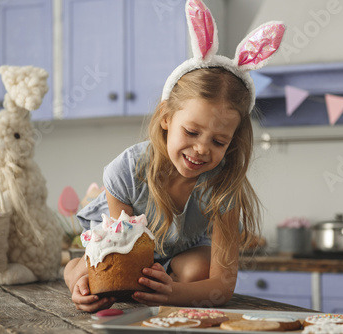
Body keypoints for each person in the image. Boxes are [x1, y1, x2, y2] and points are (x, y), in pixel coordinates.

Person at [64, 0, 285, 312]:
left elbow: (222, 286)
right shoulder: (126, 173)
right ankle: (76, 276)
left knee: (198, 270)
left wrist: (171, 295)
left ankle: (160, 282)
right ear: (166, 117)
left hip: (179, 257)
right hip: (125, 250)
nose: (201, 149)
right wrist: (91, 290)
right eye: (192, 132)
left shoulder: (222, 184)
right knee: (85, 272)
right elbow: (117, 253)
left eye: (219, 141)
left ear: (232, 143)